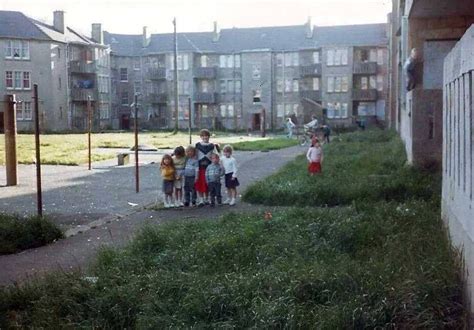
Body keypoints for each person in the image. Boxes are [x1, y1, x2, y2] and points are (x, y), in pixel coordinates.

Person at [195, 129, 220, 206]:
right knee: (200, 183)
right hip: (200, 167)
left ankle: (206, 199)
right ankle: (201, 199)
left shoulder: (212, 146)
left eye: (206, 135)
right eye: (203, 136)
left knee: (207, 183)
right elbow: (194, 155)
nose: (205, 137)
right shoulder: (197, 145)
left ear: (209, 136)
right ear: (201, 137)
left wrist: (217, 163)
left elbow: (216, 155)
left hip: (209, 168)